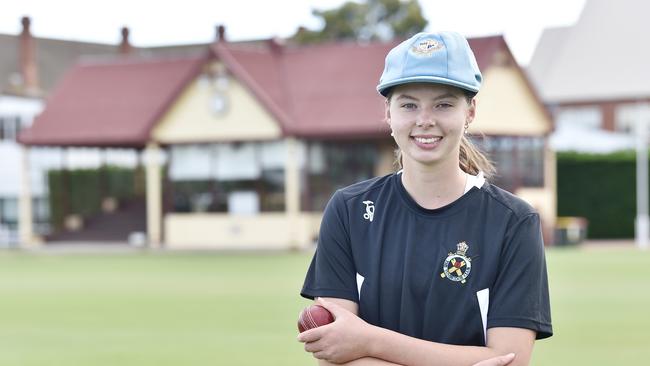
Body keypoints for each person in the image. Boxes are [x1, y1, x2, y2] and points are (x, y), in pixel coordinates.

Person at [297, 31, 552, 366]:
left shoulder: (513, 222)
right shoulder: (349, 210)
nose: (425, 120)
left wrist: (368, 340)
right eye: (408, 104)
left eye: (443, 104)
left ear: (470, 111)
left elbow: (511, 360)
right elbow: (334, 356)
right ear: (388, 112)